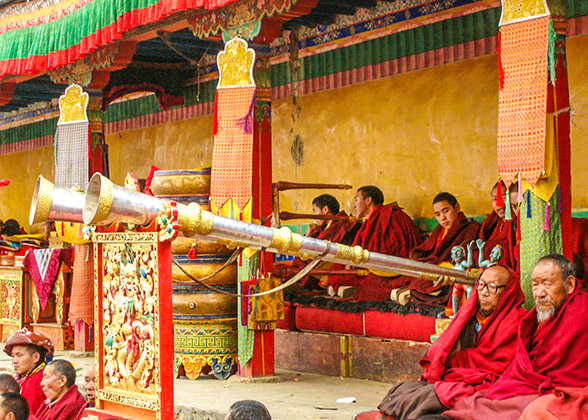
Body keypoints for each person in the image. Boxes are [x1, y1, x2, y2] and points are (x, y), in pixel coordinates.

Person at [354, 266, 526, 420]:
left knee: (435, 394)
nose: (484, 292)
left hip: (487, 384)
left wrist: (461, 361)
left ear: (507, 291)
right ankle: (391, 415)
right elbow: (446, 344)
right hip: (463, 376)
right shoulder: (474, 315)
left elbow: (499, 365)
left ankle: (394, 417)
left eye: (492, 287)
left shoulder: (515, 321)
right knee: (406, 388)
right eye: (481, 285)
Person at [438, 254, 588, 420]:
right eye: (535, 285)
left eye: (547, 284)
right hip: (533, 386)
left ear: (569, 285)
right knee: (479, 403)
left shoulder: (581, 311)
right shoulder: (544, 318)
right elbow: (524, 364)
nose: (539, 293)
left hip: (560, 393)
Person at [328, 186, 423, 301]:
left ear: (368, 200)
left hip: (389, 269)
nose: (354, 206)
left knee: (368, 288)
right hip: (369, 266)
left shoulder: (389, 216)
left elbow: (391, 251)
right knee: (335, 271)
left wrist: (361, 263)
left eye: (356, 200)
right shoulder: (369, 221)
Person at [272, 194, 360, 289]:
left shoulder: (340, 226)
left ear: (325, 210)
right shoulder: (323, 228)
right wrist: (309, 233)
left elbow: (314, 253)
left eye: (315, 211)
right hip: (320, 264)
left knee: (290, 273)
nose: (314, 217)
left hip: (330, 265)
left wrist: (309, 235)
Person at [406, 193, 480, 307]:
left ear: (457, 208)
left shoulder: (470, 228)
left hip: (451, 272)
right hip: (436, 269)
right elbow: (430, 251)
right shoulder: (439, 230)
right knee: (415, 286)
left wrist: (444, 266)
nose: (442, 218)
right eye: (438, 214)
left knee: (450, 289)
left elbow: (465, 256)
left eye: (446, 211)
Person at [4, 328, 53, 414]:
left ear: (35, 357)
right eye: (13, 356)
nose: (14, 361)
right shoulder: (24, 377)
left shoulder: (37, 381)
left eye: (19, 355)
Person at [476, 182, 519, 270]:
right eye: (495, 199)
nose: (499, 204)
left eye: (504, 198)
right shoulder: (492, 223)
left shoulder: (515, 222)